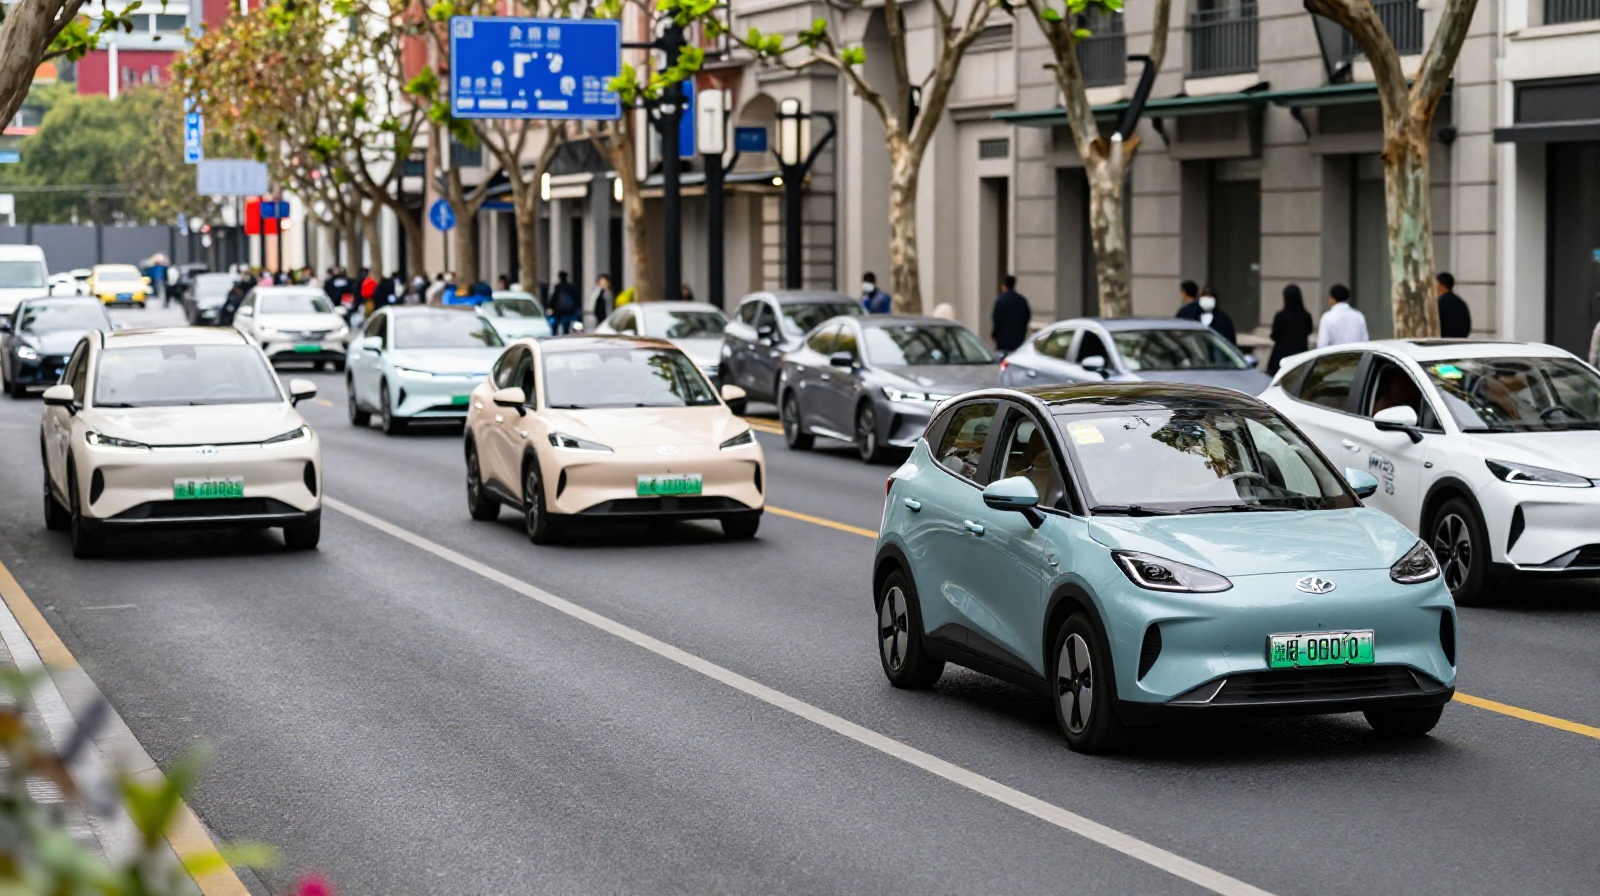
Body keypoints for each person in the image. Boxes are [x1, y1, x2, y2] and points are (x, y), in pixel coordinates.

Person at [1267, 284, 1315, 374]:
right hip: (1301, 355)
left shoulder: (1280, 316)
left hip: (1281, 356)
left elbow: (1275, 335)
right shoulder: (1306, 316)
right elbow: (1309, 331)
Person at [1316, 283, 1369, 347]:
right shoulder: (1359, 316)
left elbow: (1322, 343)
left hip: (1335, 353)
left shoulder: (1327, 317)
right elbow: (1365, 340)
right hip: (1356, 352)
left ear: (1333, 298)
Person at [991, 275, 1032, 355]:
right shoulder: (1021, 301)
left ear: (1003, 286)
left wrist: (995, 335)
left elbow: (996, 319)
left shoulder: (1000, 301)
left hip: (1003, 342)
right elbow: (1027, 316)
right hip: (1018, 340)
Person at [1437, 272, 1471, 338]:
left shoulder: (1440, 303)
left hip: (1444, 341)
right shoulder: (1460, 303)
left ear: (1442, 285)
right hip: (1460, 340)